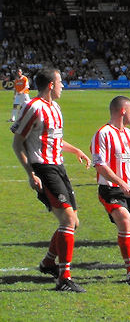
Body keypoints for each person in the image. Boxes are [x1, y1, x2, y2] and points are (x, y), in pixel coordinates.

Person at [11, 68, 91, 292]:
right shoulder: (33, 107)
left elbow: (55, 140)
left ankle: (48, 263)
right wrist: (30, 173)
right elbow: (18, 143)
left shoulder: (55, 107)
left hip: (59, 167)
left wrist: (76, 151)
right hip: (43, 168)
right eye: (61, 82)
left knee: (73, 222)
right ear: (50, 85)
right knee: (67, 220)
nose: (63, 85)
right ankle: (64, 278)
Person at [90, 96, 130, 286]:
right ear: (122, 111)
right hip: (111, 190)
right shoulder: (102, 134)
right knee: (125, 221)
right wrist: (120, 183)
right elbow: (100, 165)